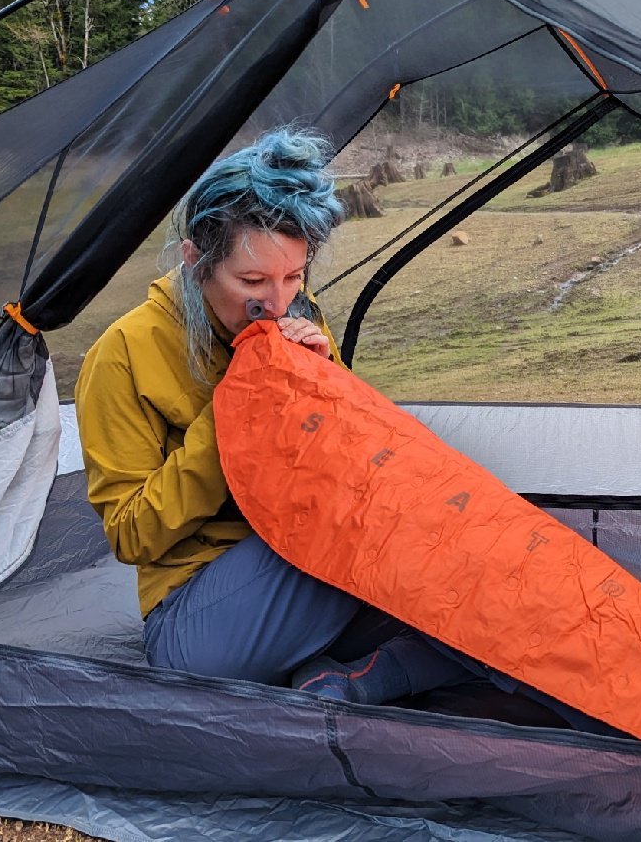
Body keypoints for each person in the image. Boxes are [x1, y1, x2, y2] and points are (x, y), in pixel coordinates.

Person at [75, 128, 469, 705]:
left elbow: (359, 464)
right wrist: (236, 414)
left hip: (308, 571)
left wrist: (324, 384)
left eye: (293, 277)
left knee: (478, 582)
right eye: (252, 281)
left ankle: (347, 680)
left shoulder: (297, 318)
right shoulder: (122, 355)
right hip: (198, 616)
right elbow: (132, 534)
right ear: (195, 260)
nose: (276, 302)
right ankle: (364, 666)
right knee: (381, 528)